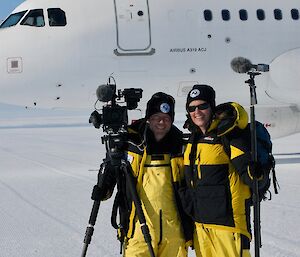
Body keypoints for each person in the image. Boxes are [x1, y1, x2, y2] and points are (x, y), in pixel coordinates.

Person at [93, 92, 192, 257]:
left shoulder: (181, 147)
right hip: (137, 227)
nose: (161, 122)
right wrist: (103, 189)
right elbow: (114, 168)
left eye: (167, 118)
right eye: (156, 117)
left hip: (174, 232)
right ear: (148, 118)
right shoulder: (131, 143)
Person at [179, 84, 254, 257]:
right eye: (192, 108)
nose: (197, 111)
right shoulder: (192, 140)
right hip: (201, 228)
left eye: (202, 106)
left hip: (229, 227)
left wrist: (255, 172)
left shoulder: (229, 135)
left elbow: (251, 178)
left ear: (212, 107)